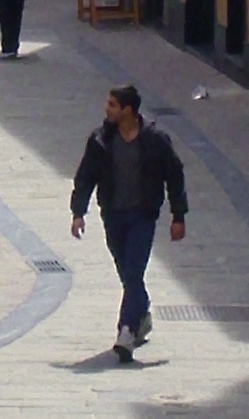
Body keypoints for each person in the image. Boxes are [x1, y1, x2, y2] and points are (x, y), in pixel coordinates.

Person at [69, 83, 189, 359]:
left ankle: (126, 330)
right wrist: (78, 212)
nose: (106, 109)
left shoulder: (155, 140)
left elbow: (174, 175)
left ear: (128, 110)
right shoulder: (100, 140)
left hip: (142, 215)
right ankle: (142, 310)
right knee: (126, 272)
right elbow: (86, 176)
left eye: (112, 104)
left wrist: (178, 215)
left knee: (134, 271)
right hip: (112, 215)